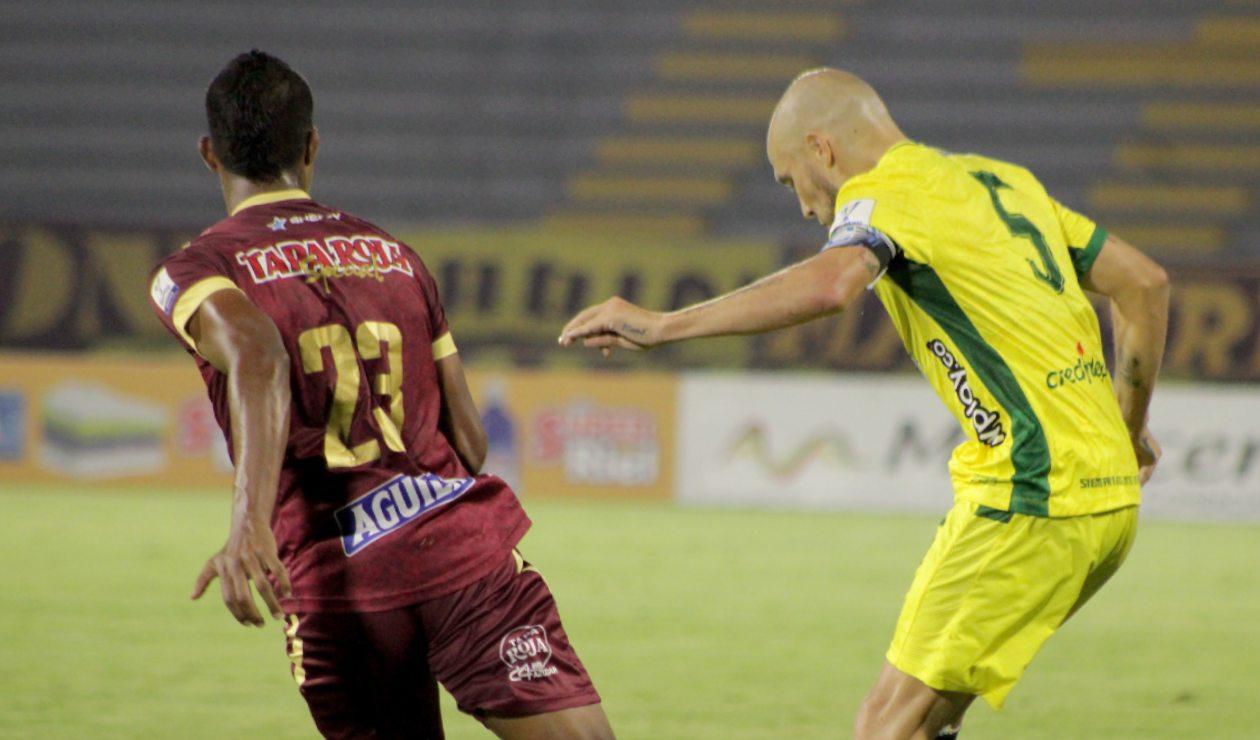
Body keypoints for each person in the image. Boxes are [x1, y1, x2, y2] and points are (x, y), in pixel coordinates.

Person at [559, 67, 1169, 739]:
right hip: (1108, 505)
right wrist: (1126, 429)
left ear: (822, 150)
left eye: (793, 181)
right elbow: (1144, 284)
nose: (805, 208)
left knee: (887, 728)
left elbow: (832, 284)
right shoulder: (1002, 183)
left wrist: (665, 325)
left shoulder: (883, 196)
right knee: (926, 720)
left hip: (1034, 495)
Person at [149, 50, 614, 740]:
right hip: (463, 556)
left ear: (210, 154)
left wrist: (247, 520)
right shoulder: (393, 254)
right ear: (311, 147)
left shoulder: (195, 272)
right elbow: (471, 444)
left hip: (340, 586)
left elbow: (255, 351)